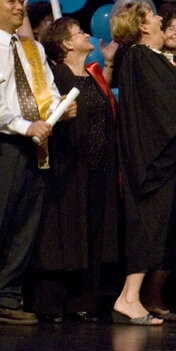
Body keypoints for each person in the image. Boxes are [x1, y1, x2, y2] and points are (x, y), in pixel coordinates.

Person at [0, 0, 73, 324]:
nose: (20, 6)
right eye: (11, 1)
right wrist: (25, 126)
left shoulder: (32, 48)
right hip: (2, 143)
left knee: (25, 224)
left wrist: (59, 109)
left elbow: (46, 91)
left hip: (38, 143)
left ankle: (8, 298)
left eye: (21, 1)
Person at [110, 0, 176, 326]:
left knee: (172, 231)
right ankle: (127, 297)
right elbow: (163, 107)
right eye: (153, 15)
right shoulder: (138, 57)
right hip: (155, 159)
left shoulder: (161, 59)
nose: (162, 18)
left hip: (175, 157)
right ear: (143, 26)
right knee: (149, 226)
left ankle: (152, 296)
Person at [31, 18, 120, 323]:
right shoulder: (55, 75)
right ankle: (52, 301)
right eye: (79, 32)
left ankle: (83, 301)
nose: (86, 34)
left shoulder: (92, 75)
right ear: (66, 44)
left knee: (92, 232)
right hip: (66, 165)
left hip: (96, 167)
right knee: (63, 232)